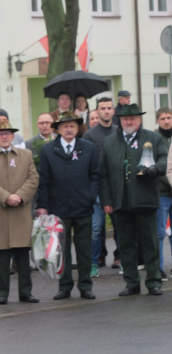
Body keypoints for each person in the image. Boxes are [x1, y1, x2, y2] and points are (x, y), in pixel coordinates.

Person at [99, 103, 168, 296]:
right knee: (126, 244)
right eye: (125, 119)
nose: (129, 122)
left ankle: (154, 281)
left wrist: (156, 169)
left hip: (145, 198)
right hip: (120, 200)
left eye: (133, 118)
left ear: (140, 120)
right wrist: (106, 200)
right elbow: (103, 174)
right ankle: (131, 282)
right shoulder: (110, 142)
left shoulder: (153, 138)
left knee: (150, 242)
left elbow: (164, 159)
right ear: (120, 121)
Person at [35, 111, 100, 301]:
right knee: (61, 250)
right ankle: (64, 286)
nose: (69, 129)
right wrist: (42, 206)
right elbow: (44, 181)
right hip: (59, 207)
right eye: (65, 126)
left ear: (77, 128)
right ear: (58, 129)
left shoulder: (87, 148)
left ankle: (85, 285)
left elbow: (95, 175)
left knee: (84, 249)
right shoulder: (49, 151)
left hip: (83, 206)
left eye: (72, 126)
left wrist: (90, 196)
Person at [0, 121, 39, 304]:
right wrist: (6, 197)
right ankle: (3, 293)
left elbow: (33, 178)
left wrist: (20, 196)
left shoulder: (26, 155)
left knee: (22, 253)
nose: (4, 136)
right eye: (0, 134)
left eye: (7, 133)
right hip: (0, 211)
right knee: (2, 254)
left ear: (13, 136)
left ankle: (25, 292)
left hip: (20, 211)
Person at [85, 97, 118, 273]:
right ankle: (93, 263)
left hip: (117, 187)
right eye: (102, 108)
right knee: (96, 228)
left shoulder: (119, 132)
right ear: (97, 112)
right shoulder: (89, 135)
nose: (106, 111)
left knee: (120, 225)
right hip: (97, 187)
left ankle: (121, 259)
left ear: (113, 111)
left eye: (109, 108)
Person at [154, 107, 172, 278]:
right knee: (160, 232)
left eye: (169, 117)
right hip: (162, 192)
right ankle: (159, 267)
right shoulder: (154, 139)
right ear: (158, 121)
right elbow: (158, 167)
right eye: (163, 118)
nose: (166, 121)